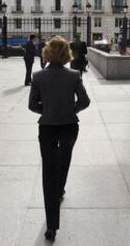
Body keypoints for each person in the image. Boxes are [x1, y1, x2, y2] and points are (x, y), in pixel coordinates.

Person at [28, 36, 91, 243]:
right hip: (69, 126)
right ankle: (60, 188)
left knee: (49, 172)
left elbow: (32, 105)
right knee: (63, 163)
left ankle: (51, 228)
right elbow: (85, 101)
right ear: (66, 54)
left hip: (47, 127)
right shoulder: (74, 75)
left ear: (47, 53)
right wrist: (70, 110)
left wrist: (47, 111)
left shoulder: (37, 76)